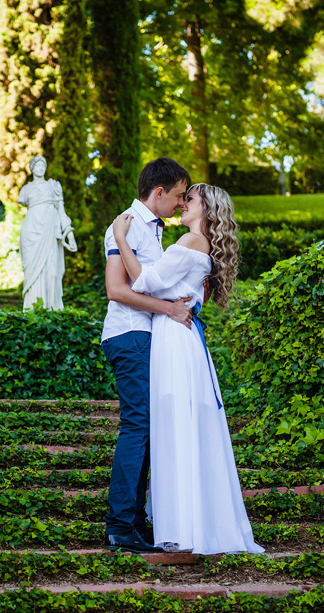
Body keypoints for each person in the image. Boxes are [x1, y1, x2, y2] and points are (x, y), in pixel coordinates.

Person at [111, 184, 264, 555]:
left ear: (207, 209)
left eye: (189, 199)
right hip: (183, 336)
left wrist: (120, 240)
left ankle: (179, 525)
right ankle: (191, 521)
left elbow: (145, 281)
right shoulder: (202, 247)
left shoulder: (190, 241)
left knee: (173, 424)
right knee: (182, 425)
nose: (182, 204)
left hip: (174, 340)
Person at [100, 157, 194, 554]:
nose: (179, 204)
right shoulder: (126, 224)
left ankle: (135, 521)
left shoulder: (150, 230)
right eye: (177, 196)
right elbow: (117, 290)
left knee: (148, 428)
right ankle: (120, 524)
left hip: (145, 337)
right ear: (158, 192)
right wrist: (170, 308)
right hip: (129, 335)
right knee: (137, 426)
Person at [17, 156, 77, 310]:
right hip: (31, 232)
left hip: (50, 231)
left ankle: (52, 309)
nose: (41, 168)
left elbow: (62, 213)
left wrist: (69, 234)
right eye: (37, 165)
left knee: (53, 273)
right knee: (33, 275)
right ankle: (33, 310)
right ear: (32, 168)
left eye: (43, 165)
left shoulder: (54, 186)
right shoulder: (26, 189)